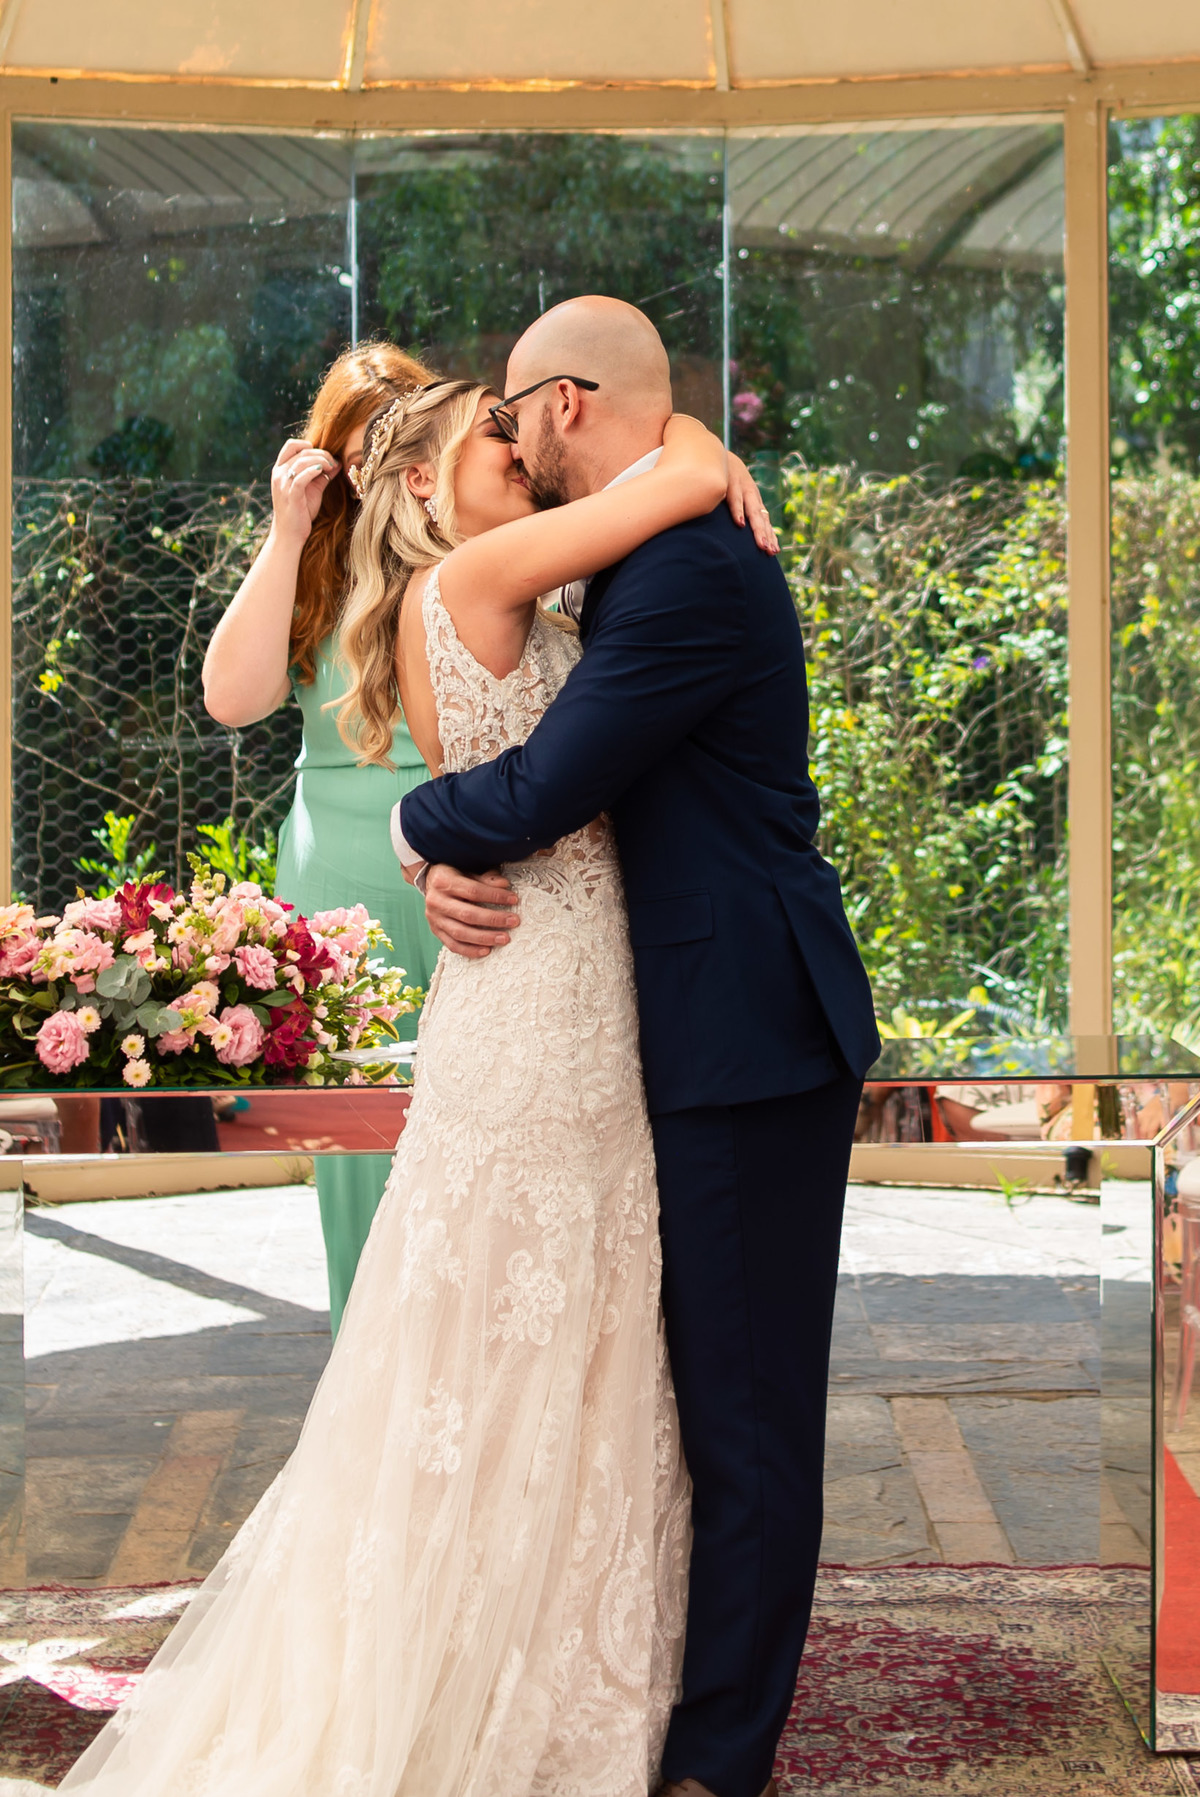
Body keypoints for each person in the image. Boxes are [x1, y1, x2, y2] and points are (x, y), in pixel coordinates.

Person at [14, 378, 769, 1797]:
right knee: (502, 1334)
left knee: (566, 1334)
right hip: (535, 1014)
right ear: (422, 488)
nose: (518, 449)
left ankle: (558, 1645)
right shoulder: (473, 580)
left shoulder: (532, 609)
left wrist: (439, 852)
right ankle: (455, 1668)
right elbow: (659, 489)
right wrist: (703, 443)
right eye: (497, 433)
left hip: (587, 997)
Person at [395, 297, 881, 1797]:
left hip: (741, 1029)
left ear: (561, 405)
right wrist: (687, 449)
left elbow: (543, 786)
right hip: (672, 1019)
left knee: (742, 1419)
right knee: (684, 1400)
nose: (510, 441)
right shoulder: (655, 540)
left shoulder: (678, 573)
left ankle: (718, 1760)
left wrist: (420, 830)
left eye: (516, 412)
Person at [202, 341, 442, 1334]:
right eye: (356, 452)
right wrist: (286, 525)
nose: (375, 471)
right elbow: (232, 698)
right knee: (359, 1141)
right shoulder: (308, 560)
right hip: (340, 873)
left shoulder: (470, 547)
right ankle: (366, 1364)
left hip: (473, 857)